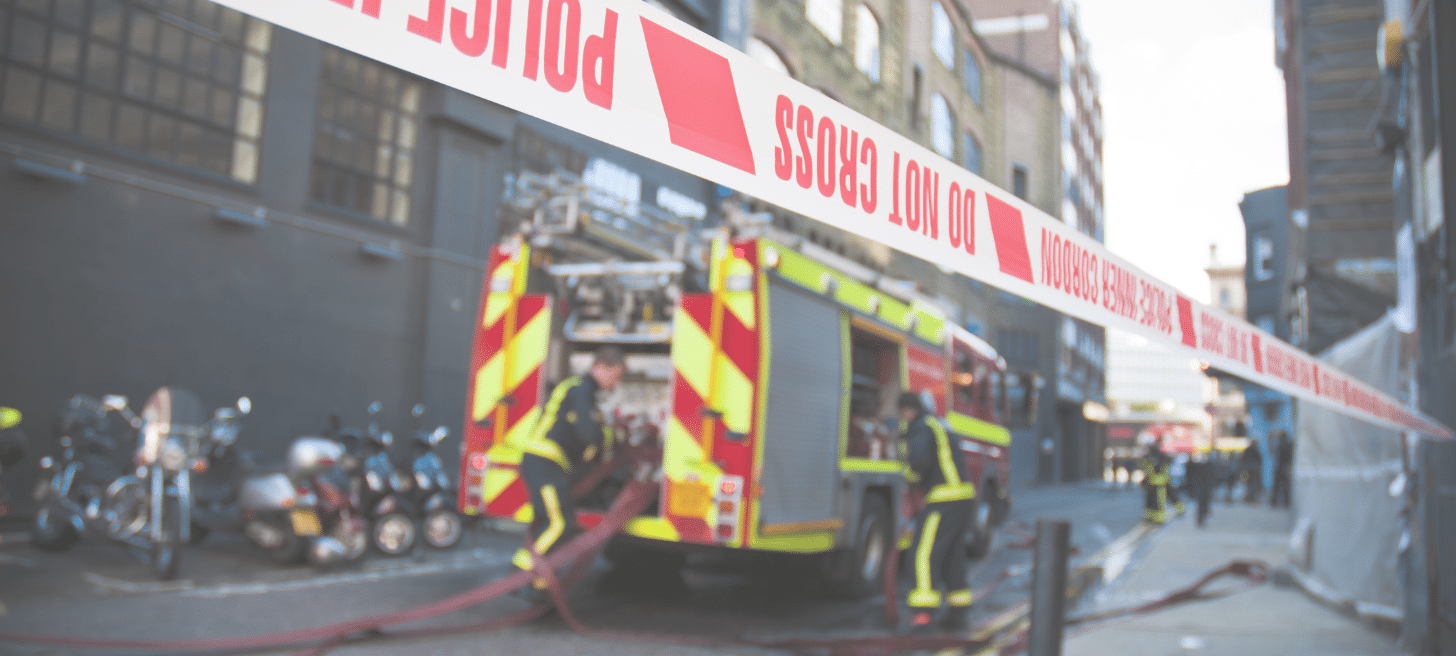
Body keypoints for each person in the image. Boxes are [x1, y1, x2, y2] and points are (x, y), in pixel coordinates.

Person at [511, 346, 627, 588]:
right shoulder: (580, 389)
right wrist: (606, 443)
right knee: (559, 523)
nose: (616, 384)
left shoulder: (583, 393)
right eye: (616, 375)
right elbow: (587, 432)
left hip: (550, 465)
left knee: (550, 521)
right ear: (601, 367)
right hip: (544, 463)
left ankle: (538, 579)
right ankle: (522, 570)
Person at [898, 392, 975, 632]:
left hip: (944, 499)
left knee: (923, 553)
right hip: (962, 497)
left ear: (908, 410)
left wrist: (906, 474)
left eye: (903, 413)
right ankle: (958, 613)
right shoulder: (939, 424)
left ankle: (923, 613)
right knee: (952, 555)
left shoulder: (922, 427)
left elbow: (919, 463)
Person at [1138, 438, 1176, 524]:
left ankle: (1151, 517)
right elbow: (1166, 467)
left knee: (1152, 501)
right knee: (1158, 501)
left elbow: (1144, 467)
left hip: (1152, 483)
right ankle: (1157, 518)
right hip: (1159, 483)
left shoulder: (1148, 457)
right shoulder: (1162, 456)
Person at [1270, 431, 1293, 508]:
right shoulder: (1288, 445)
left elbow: (1275, 455)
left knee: (1277, 486)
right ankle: (1286, 502)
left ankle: (1274, 502)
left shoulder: (1280, 445)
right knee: (1285, 486)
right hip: (1284, 468)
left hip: (1280, 468)